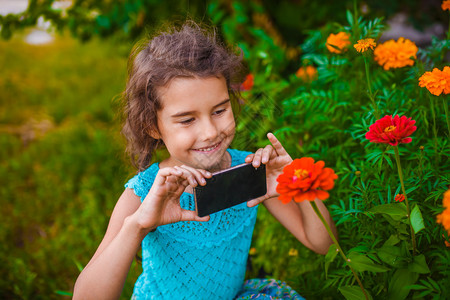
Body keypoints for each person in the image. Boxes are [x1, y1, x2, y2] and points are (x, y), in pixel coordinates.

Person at [73, 21, 336, 300]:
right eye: (187, 120)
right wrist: (138, 225)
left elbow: (325, 245)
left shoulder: (250, 172)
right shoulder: (144, 193)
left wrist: (298, 184)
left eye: (220, 110)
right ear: (152, 126)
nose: (210, 133)